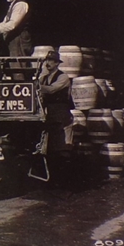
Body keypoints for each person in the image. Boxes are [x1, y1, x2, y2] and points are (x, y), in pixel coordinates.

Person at [38, 50, 74, 185]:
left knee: (64, 146)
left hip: (61, 112)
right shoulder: (45, 77)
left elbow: (52, 89)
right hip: (51, 113)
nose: (48, 63)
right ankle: (56, 179)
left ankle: (66, 180)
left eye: (51, 61)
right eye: (47, 60)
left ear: (57, 63)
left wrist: (36, 87)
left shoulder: (63, 77)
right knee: (52, 147)